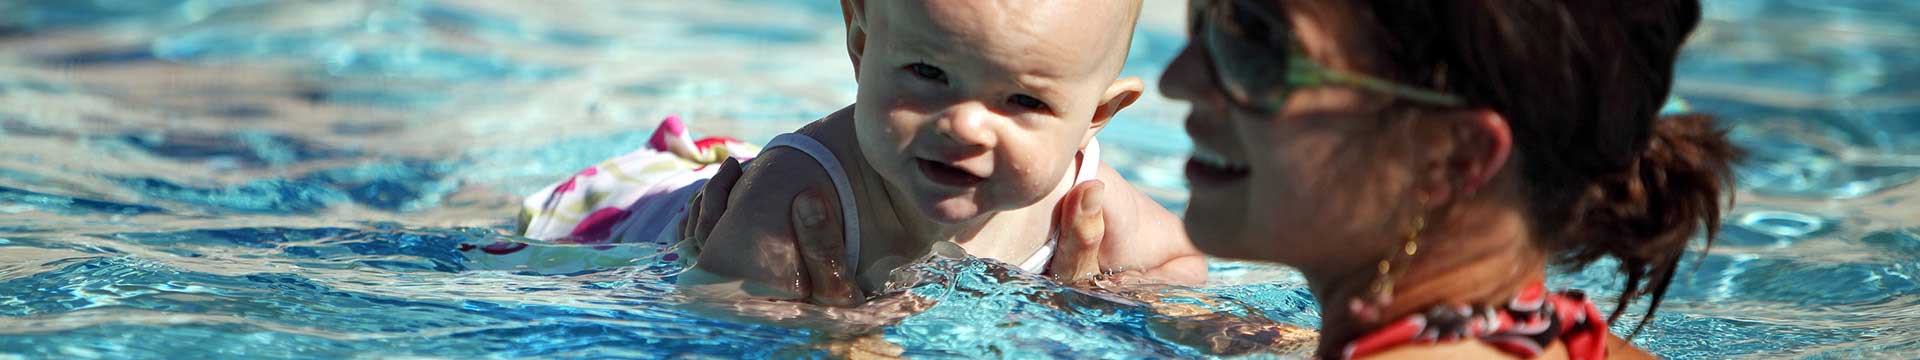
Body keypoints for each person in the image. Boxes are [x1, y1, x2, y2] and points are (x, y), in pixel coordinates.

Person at [695, 0, 1742, 358]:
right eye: (1210, 26)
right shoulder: (1558, 330)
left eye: (1255, 46)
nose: (1186, 79)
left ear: (1453, 160)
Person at [474, 0, 1206, 305]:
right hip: (621, 210)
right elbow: (720, 309)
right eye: (928, 75)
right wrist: (833, 334)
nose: (969, 127)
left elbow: (1181, 266)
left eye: (1025, 102)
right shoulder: (800, 194)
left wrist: (1121, 306)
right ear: (860, 44)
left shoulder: (1081, 193)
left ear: (1095, 119)